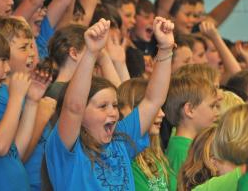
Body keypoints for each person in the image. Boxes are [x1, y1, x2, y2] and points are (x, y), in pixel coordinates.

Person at [45, 17, 175, 190]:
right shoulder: (67, 149)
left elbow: (154, 100)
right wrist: (91, 53)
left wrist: (165, 48)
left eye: (114, 105)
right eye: (102, 106)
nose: (113, 112)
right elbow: (73, 108)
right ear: (82, 114)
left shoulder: (120, 140)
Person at [0, 30, 51, 191]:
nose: (7, 68)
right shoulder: (2, 98)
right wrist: (16, 97)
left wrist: (32, 102)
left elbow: (15, 152)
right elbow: (0, 146)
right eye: (3, 60)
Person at [118, 78, 176, 190]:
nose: (162, 114)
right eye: (154, 108)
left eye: (161, 107)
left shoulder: (155, 154)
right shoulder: (129, 162)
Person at [164, 76, 219, 175]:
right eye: (212, 106)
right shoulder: (180, 150)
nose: (217, 113)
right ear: (189, 110)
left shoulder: (190, 145)